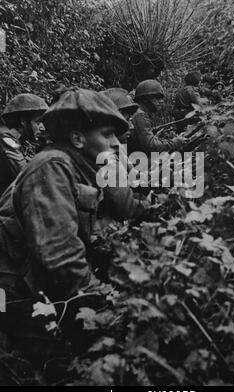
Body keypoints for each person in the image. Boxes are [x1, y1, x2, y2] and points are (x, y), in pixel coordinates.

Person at [0, 88, 147, 366]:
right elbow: (60, 255)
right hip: (14, 290)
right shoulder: (53, 166)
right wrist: (107, 303)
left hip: (32, 282)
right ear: (78, 138)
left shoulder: (81, 167)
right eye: (107, 134)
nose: (116, 143)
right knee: (57, 366)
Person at [0, 93, 48, 195]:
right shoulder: (5, 138)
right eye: (38, 122)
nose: (42, 127)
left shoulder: (14, 139)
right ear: (23, 121)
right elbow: (27, 178)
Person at [130, 80, 186, 155]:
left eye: (161, 98)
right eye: (157, 98)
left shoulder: (137, 111)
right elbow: (151, 146)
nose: (161, 101)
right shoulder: (140, 115)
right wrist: (175, 142)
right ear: (145, 99)